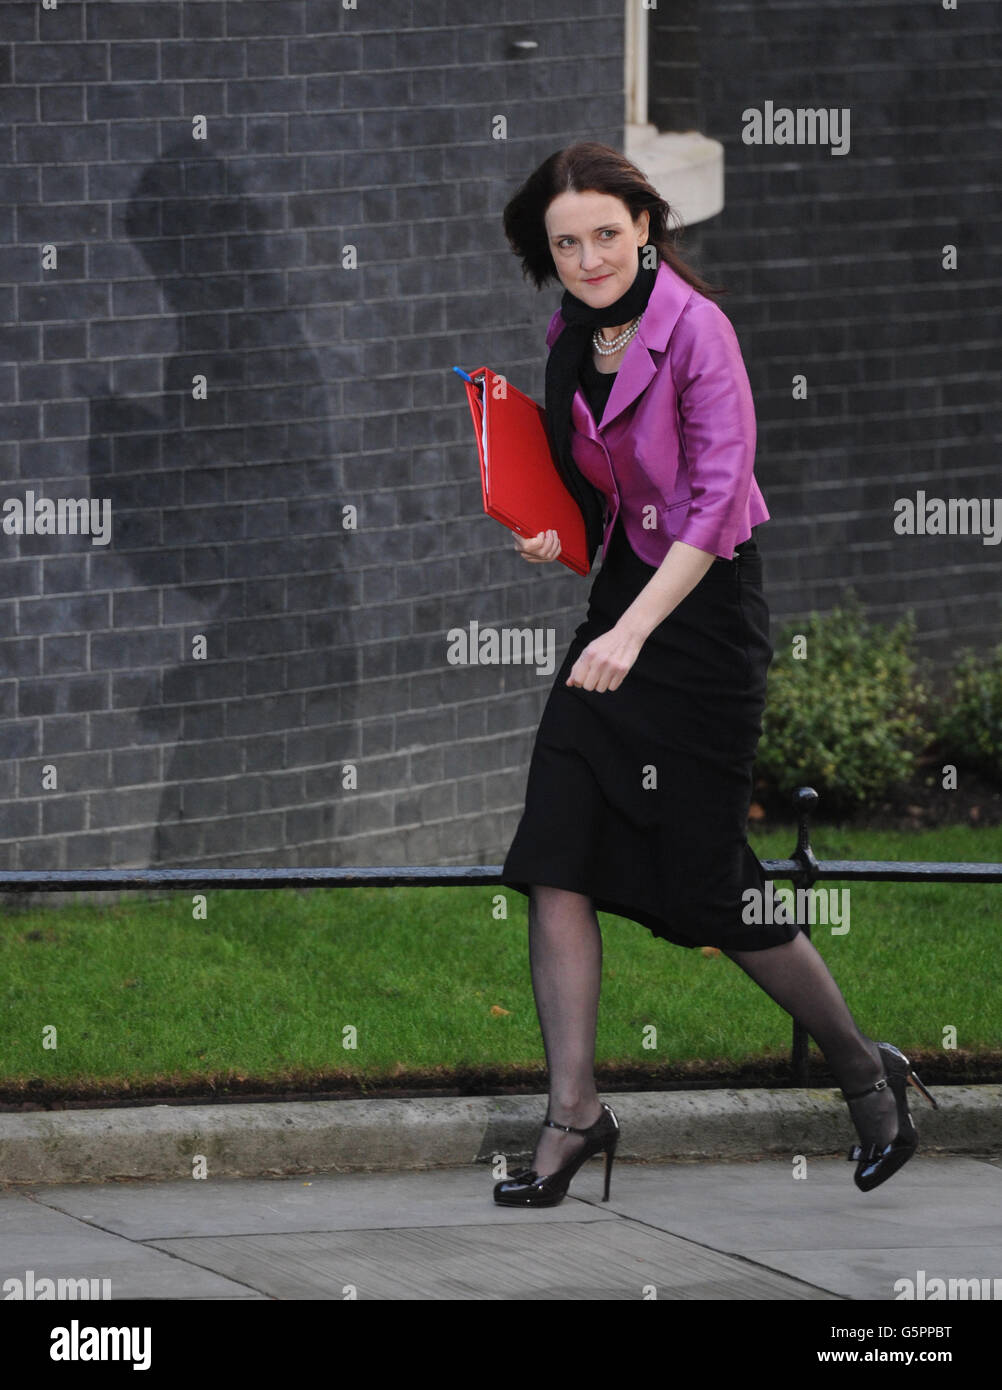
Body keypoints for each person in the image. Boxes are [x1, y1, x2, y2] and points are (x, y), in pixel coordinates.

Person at [493, 142, 936, 1208]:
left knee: (710, 887)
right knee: (554, 853)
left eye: (607, 231)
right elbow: (605, 495)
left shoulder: (700, 332)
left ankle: (864, 1069)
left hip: (700, 629)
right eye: (567, 242)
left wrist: (633, 631)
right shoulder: (570, 336)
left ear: (646, 225)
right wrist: (561, 535)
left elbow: (712, 500)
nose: (590, 255)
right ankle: (574, 1114)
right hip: (622, 612)